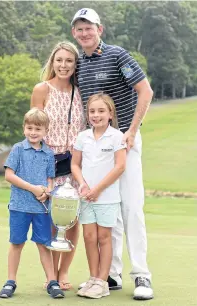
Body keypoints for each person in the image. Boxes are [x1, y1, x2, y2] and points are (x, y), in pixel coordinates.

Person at [71, 8, 154, 300]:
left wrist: (132, 131)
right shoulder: (79, 64)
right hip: (97, 144)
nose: (84, 33)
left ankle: (141, 274)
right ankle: (112, 274)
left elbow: (145, 91)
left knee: (131, 206)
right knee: (109, 207)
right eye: (79, 29)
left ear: (100, 29)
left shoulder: (118, 55)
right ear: (74, 33)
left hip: (124, 140)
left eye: (89, 28)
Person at [31, 41, 86, 290]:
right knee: (52, 221)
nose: (63, 65)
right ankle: (51, 274)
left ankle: (64, 273)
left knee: (72, 220)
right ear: (52, 62)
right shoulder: (42, 89)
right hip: (49, 164)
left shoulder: (81, 91)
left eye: (69, 61)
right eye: (59, 60)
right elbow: (33, 129)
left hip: (76, 164)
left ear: (75, 65)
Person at [0, 108, 65, 299]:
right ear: (24, 128)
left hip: (41, 209)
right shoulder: (18, 149)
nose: (33, 132)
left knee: (44, 245)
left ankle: (52, 282)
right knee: (17, 243)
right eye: (29, 128)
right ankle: (10, 281)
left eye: (38, 128)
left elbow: (50, 179)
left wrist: (47, 192)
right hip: (19, 206)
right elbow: (9, 175)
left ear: (45, 131)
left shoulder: (48, 153)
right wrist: (33, 188)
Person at [71, 93, 126, 299]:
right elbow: (75, 164)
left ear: (110, 114)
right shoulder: (82, 137)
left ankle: (103, 282)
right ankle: (93, 278)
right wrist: (84, 184)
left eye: (101, 111)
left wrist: (98, 189)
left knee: (104, 238)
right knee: (88, 237)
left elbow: (120, 166)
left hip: (107, 197)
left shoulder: (117, 136)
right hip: (86, 196)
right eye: (92, 111)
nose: (96, 115)